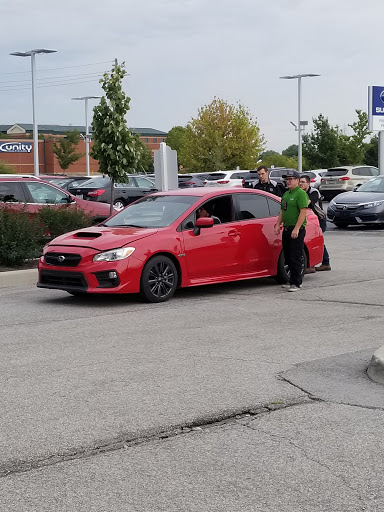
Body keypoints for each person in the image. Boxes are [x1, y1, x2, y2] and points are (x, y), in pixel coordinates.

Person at [274, 170, 309, 292]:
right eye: (287, 179)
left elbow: (303, 212)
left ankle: (296, 282)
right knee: (288, 256)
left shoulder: (300, 194)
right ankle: (291, 279)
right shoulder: (286, 194)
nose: (288, 181)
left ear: (297, 180)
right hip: (287, 229)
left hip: (296, 229)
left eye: (291, 179)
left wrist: (297, 228)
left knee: (295, 256)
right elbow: (282, 211)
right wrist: (278, 224)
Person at [299, 175, 331, 272]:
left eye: (303, 182)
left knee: (317, 240)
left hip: (319, 219)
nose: (301, 184)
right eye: (300, 182)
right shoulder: (300, 192)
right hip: (309, 221)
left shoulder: (313, 192)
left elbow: (307, 202)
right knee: (310, 241)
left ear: (308, 183)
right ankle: (313, 264)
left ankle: (325, 263)